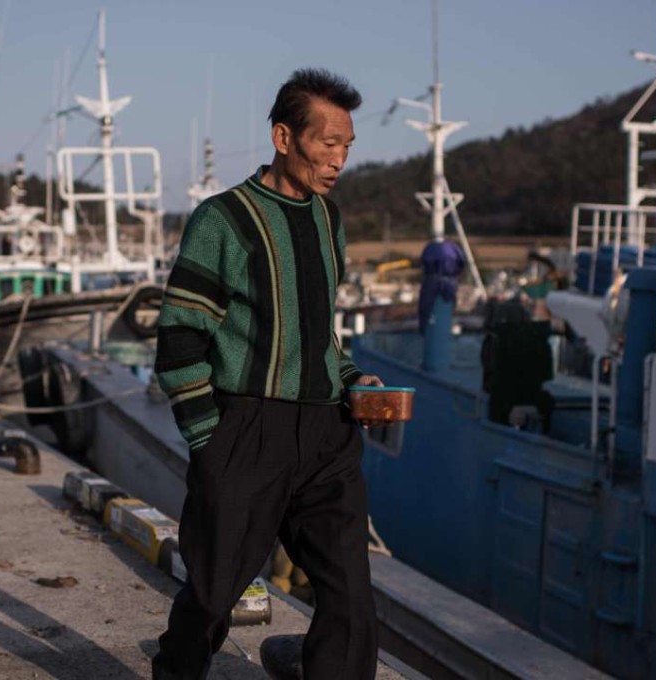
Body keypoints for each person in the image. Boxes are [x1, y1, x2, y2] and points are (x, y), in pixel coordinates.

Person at [152, 68, 383, 680]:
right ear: (284, 137)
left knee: (351, 600)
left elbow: (322, 333)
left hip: (328, 435)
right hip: (247, 431)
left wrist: (356, 381)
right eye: (327, 143)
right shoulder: (222, 219)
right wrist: (210, 440)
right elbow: (179, 337)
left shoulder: (329, 221)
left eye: (347, 147)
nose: (338, 159)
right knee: (210, 595)